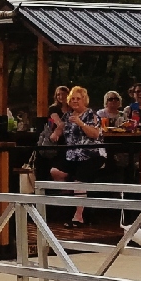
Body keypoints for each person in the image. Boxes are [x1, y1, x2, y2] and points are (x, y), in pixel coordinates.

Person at [47, 85, 106, 227]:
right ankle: (70, 204)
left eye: (78, 99)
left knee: (79, 180)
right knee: (55, 171)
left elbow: (95, 134)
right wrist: (55, 133)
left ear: (84, 100)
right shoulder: (68, 115)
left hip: (92, 154)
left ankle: (78, 216)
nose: (75, 101)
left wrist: (81, 124)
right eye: (72, 99)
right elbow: (61, 128)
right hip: (73, 155)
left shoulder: (92, 115)